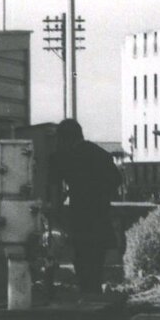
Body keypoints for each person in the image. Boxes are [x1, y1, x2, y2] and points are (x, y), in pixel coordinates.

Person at [46, 119, 121, 299]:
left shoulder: (63, 157)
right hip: (100, 214)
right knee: (96, 262)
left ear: (65, 139)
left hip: (79, 216)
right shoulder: (100, 154)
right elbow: (117, 180)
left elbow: (54, 190)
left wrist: (56, 213)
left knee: (81, 260)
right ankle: (94, 294)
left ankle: (88, 295)